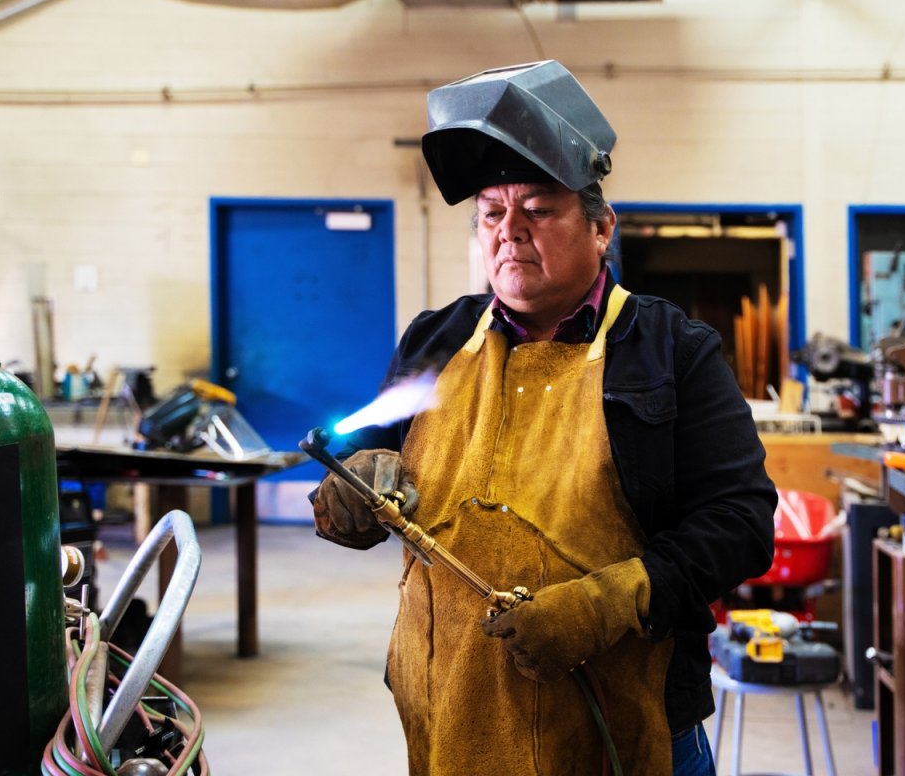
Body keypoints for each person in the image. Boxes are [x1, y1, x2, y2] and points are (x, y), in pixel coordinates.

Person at [309, 60, 777, 776]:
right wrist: (348, 497)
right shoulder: (434, 342)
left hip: (625, 727)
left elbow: (741, 524)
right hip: (452, 720)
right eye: (492, 213)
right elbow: (363, 477)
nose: (510, 232)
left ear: (601, 229)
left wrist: (605, 604)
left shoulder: (672, 350)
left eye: (538, 209)